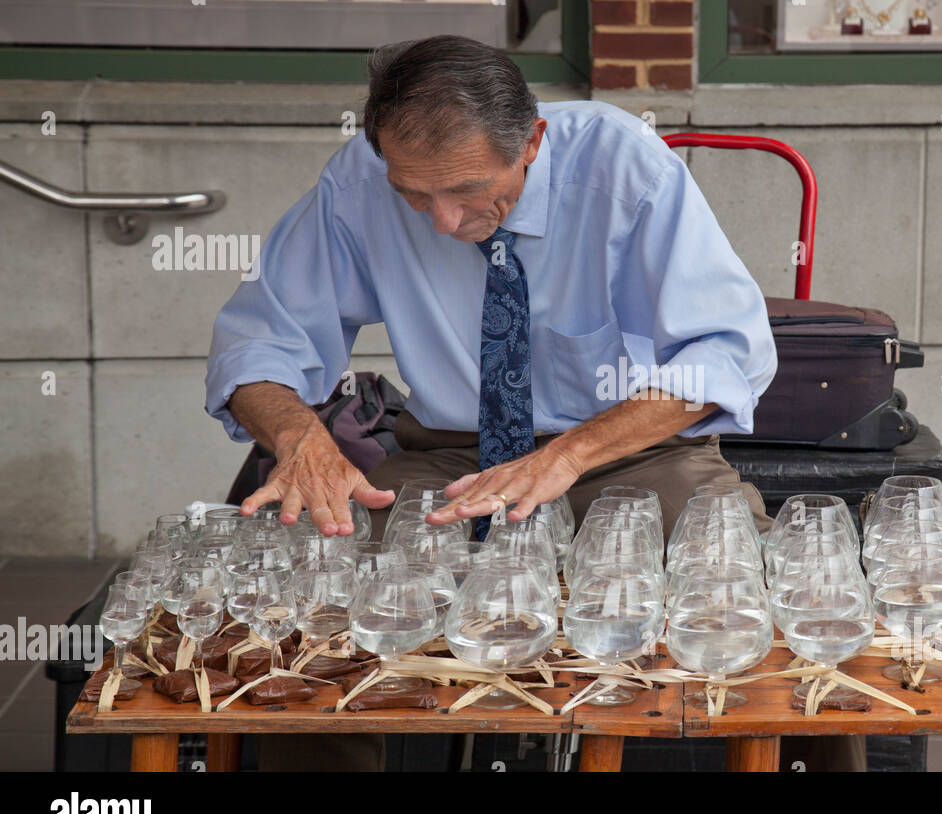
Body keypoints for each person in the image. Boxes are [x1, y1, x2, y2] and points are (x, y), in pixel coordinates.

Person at [204, 35, 781, 770]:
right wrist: (297, 435)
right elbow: (256, 344)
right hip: (451, 454)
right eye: (415, 195)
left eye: (469, 190)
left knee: (762, 606)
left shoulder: (621, 162)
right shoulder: (360, 180)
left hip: (630, 449)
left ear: (533, 140)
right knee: (316, 624)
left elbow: (726, 353)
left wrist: (566, 454)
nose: (442, 221)